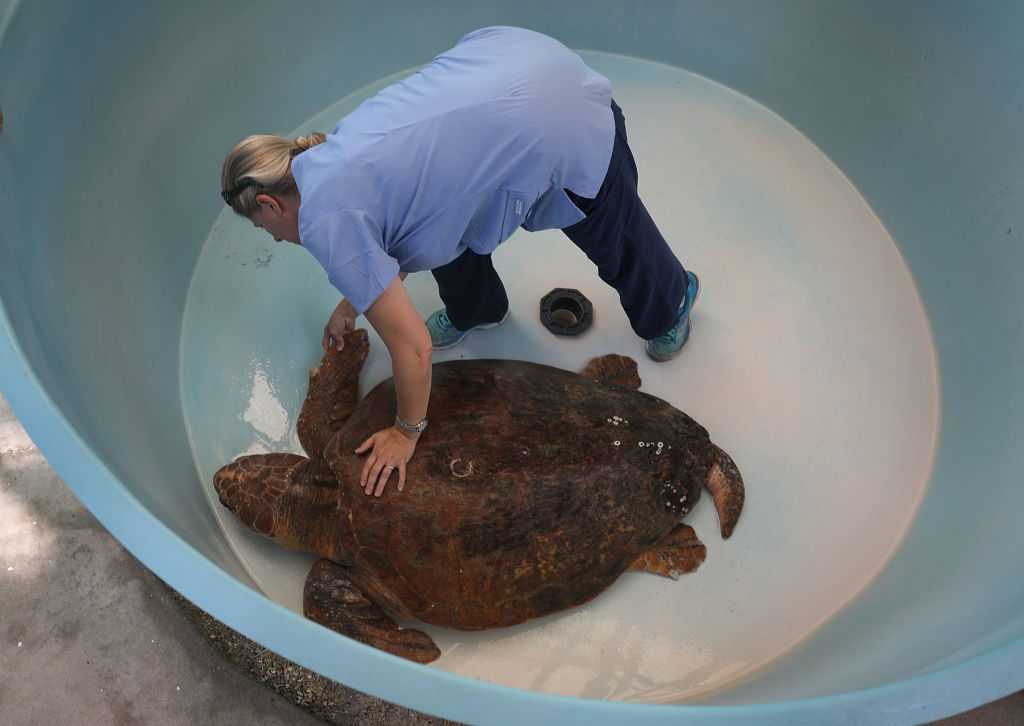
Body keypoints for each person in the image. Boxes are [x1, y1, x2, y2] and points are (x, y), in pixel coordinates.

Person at [220, 26, 699, 498]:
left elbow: (414, 350)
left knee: (616, 233)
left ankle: (670, 304)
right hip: (512, 58)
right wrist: (352, 305)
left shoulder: (325, 225)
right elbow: (387, 234)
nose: (278, 241)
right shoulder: (325, 153)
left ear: (269, 204)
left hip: (563, 118)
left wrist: (406, 431)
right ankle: (478, 309)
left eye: (267, 231)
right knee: (434, 221)